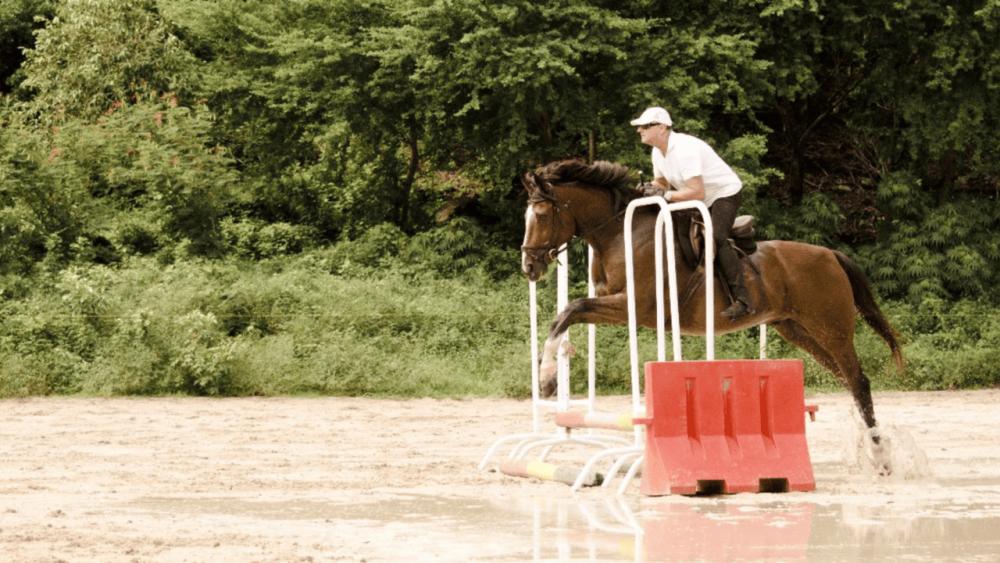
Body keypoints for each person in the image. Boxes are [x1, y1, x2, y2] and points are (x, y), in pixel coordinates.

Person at [630, 106, 754, 320]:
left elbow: (697, 192)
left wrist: (665, 195)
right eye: (640, 126)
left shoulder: (684, 149)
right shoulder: (657, 152)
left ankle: (743, 300)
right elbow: (662, 182)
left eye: (645, 126)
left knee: (717, 237)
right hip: (698, 197)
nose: (639, 130)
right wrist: (649, 187)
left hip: (723, 194)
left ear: (661, 127)